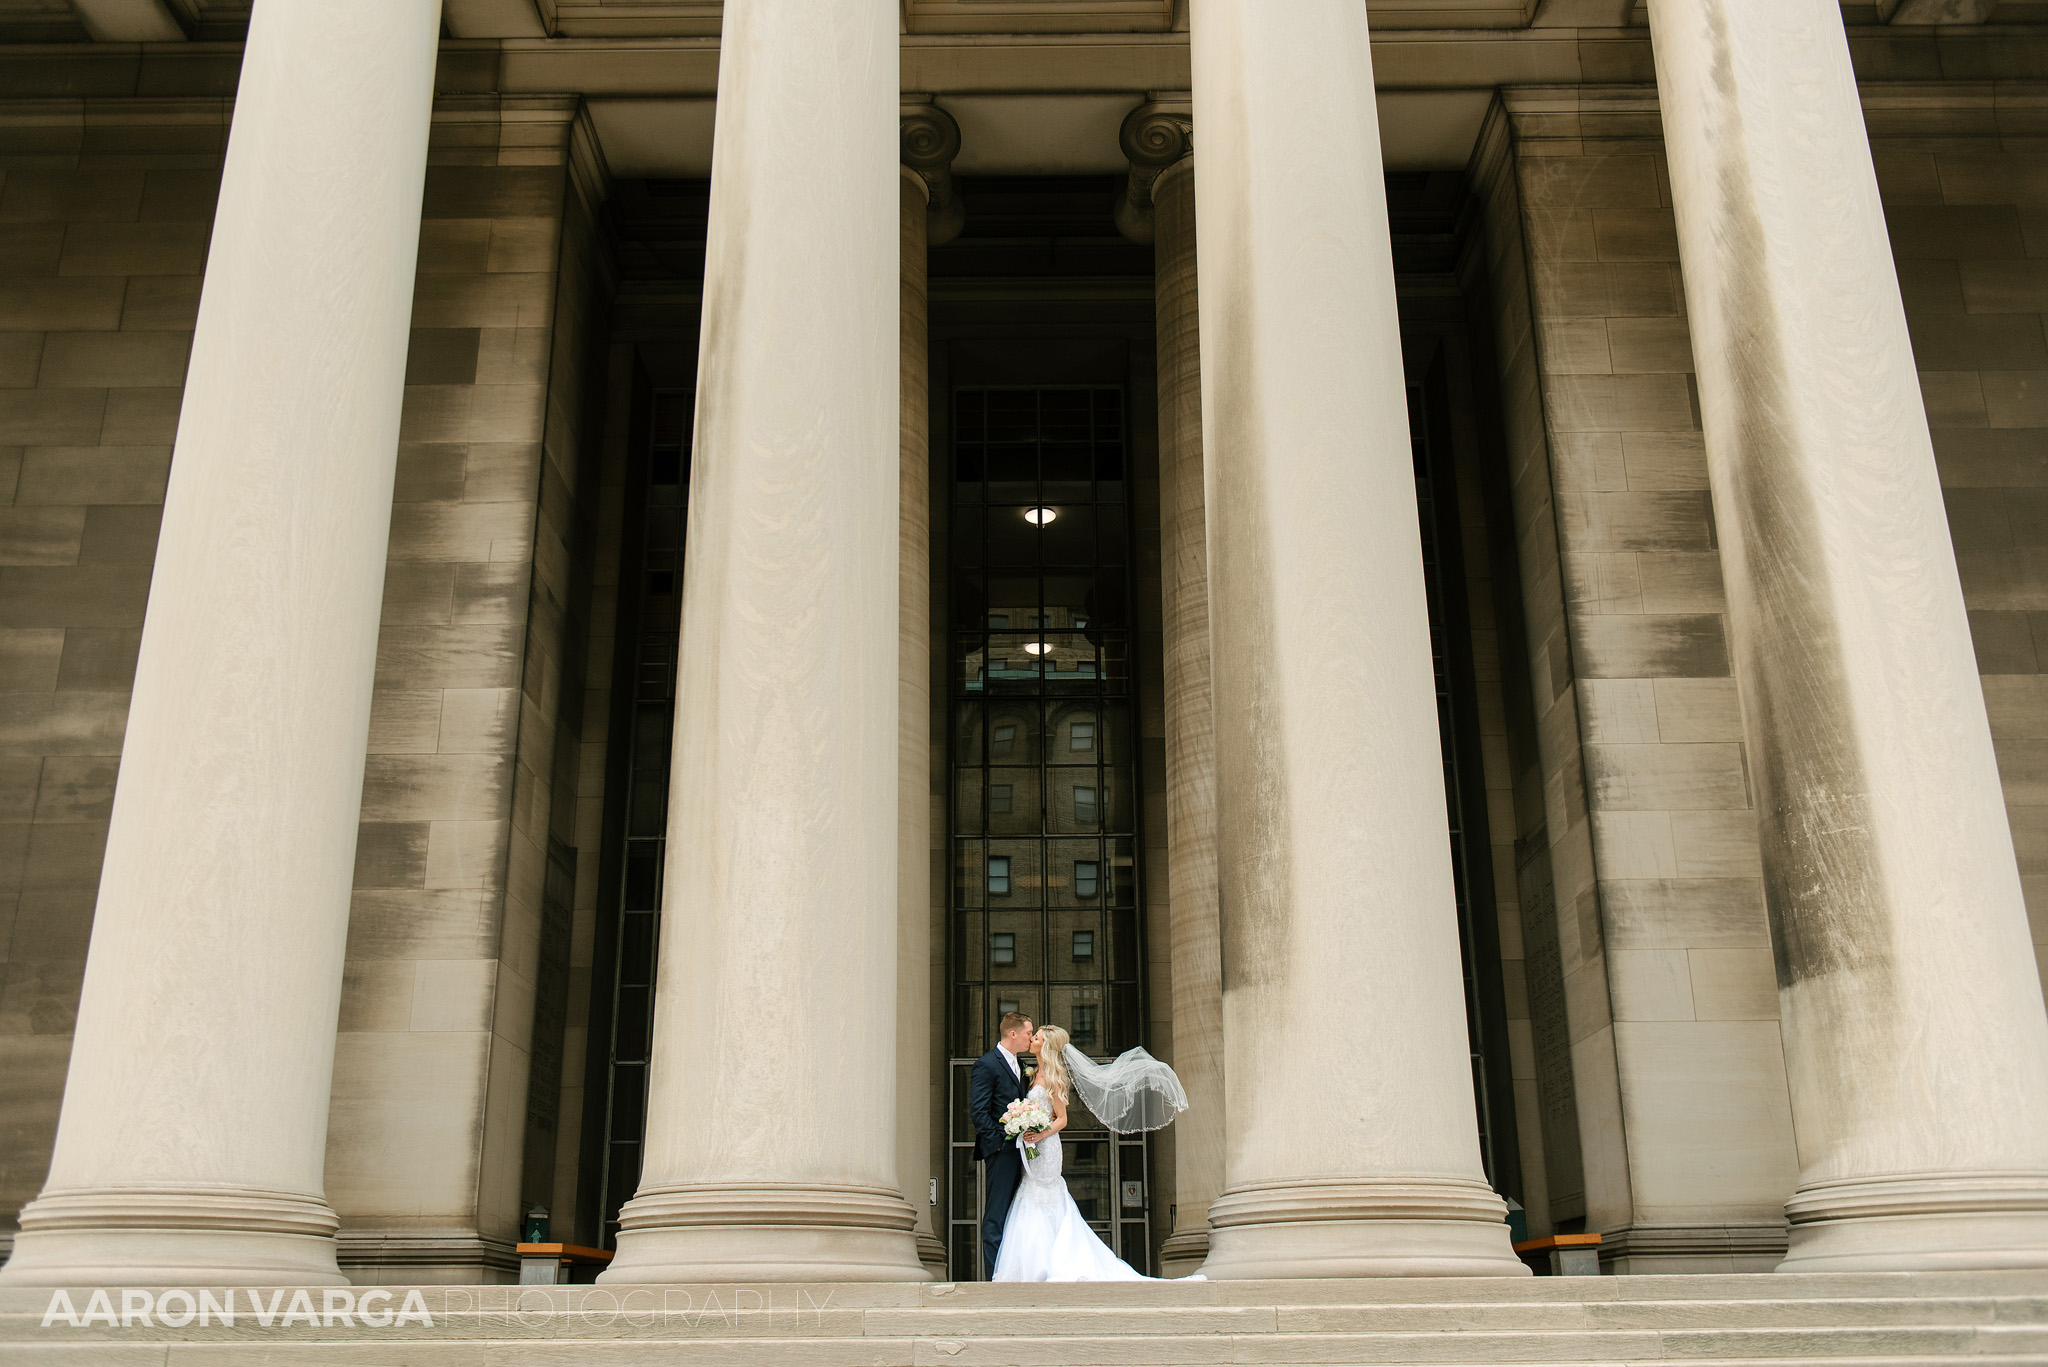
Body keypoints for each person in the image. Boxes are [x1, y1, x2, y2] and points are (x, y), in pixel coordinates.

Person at [990, 1024, 1201, 1283]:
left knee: (1043, 1194)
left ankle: (1051, 1264)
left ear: (1045, 1046)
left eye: (1036, 1037)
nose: (1032, 1040)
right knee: (1030, 1193)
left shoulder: (1053, 1077)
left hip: (1047, 1148)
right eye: (1033, 1036)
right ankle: (1035, 1263)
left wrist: (1040, 1133)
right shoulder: (1032, 1074)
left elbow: (1062, 1119)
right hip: (1034, 1146)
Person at [967, 1011, 1034, 1278]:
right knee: (996, 1213)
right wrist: (997, 1143)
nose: (1031, 1038)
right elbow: (979, 1111)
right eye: (1028, 1033)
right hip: (1002, 1150)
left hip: (1022, 1151)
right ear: (1013, 1034)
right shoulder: (987, 1064)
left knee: (1016, 1212)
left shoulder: (1023, 1065)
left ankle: (1013, 1272)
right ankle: (995, 1275)